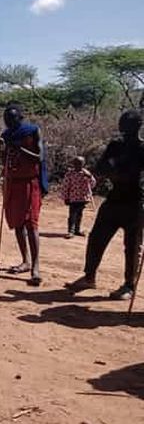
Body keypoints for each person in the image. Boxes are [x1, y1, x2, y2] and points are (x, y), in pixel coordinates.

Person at [66, 110, 144, 300]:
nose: (122, 125)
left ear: (137, 126)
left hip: (136, 201)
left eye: (126, 122)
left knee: (132, 246)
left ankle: (128, 285)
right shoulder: (115, 145)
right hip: (114, 198)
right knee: (96, 238)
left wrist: (118, 171)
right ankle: (89, 276)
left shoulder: (142, 148)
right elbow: (100, 168)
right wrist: (116, 173)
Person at [0, 104, 48, 286]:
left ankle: (36, 266)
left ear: (20, 117)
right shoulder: (7, 135)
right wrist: (2, 147)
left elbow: (38, 157)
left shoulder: (33, 131)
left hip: (30, 182)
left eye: (12, 118)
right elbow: (4, 160)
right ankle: (25, 261)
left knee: (31, 224)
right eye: (6, 119)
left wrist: (17, 148)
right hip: (13, 182)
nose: (8, 122)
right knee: (18, 223)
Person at [60, 156, 96, 238]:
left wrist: (89, 176)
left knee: (79, 215)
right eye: (76, 163)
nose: (77, 165)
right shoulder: (70, 174)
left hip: (83, 198)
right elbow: (65, 186)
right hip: (73, 198)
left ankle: (77, 230)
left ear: (83, 164)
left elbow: (93, 184)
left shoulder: (86, 173)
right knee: (72, 215)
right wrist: (65, 197)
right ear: (73, 164)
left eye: (80, 163)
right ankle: (70, 231)